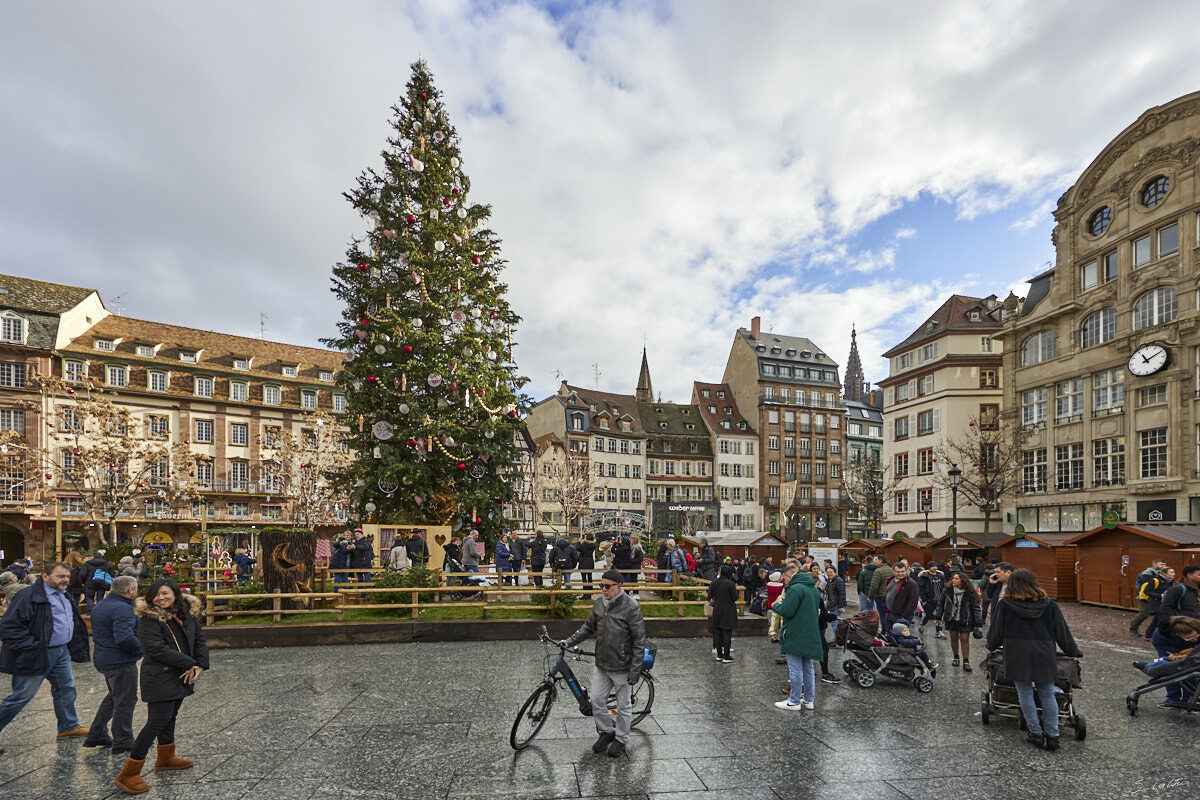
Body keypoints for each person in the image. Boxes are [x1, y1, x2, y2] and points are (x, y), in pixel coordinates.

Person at [115, 579, 209, 794]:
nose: (161, 598)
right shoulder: (149, 620)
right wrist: (190, 663)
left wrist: (201, 665)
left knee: (171, 716)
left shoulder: (187, 615)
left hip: (181, 674)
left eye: (165, 593)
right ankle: (129, 773)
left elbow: (200, 641)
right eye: (156, 595)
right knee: (156, 722)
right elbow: (156, 650)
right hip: (159, 677)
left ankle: (166, 758)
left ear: (175, 594)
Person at [986, 569, 1081, 752]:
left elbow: (996, 630)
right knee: (1047, 693)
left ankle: (1035, 733)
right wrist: (1072, 651)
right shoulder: (1049, 605)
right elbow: (1062, 631)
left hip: (1017, 653)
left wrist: (991, 645)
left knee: (1024, 693)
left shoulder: (1006, 605)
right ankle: (1053, 735)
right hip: (1043, 652)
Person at [0, 562, 91, 753]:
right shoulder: (28, 596)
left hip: (61, 651)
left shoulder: (63, 594)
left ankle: (68, 726)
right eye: (60, 576)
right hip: (36, 653)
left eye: (67, 576)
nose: (65, 580)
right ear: (45, 576)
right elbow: (9, 627)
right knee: (22, 695)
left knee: (66, 687)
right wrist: (32, 647)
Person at [561, 570, 648, 758]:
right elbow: (588, 627)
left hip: (622, 666)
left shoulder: (631, 607)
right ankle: (607, 731)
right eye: (601, 585)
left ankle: (621, 739)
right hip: (602, 664)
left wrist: (635, 669)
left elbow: (639, 640)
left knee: (623, 706)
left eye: (608, 586)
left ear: (619, 586)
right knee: (596, 700)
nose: (603, 589)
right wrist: (569, 641)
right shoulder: (599, 603)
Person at [85, 575, 142, 753]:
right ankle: (123, 739)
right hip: (120, 661)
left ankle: (97, 733)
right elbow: (124, 637)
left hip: (104, 658)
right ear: (131, 590)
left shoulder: (101, 605)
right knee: (125, 700)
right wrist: (142, 649)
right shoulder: (123, 608)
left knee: (114, 696)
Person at [773, 560, 822, 710]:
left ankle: (794, 701)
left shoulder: (795, 589)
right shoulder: (813, 589)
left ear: (789, 576)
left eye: (784, 579)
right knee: (808, 667)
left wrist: (776, 605)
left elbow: (787, 611)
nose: (784, 582)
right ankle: (808, 700)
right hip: (811, 632)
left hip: (795, 632)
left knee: (795, 668)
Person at [1150, 565, 1200, 707]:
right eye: (1199, 574)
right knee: (1171, 668)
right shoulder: (1178, 589)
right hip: (1173, 635)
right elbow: (1165, 611)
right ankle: (1173, 698)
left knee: (1190, 667)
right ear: (1189, 575)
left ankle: (1189, 699)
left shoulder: (1197, 591)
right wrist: (1178, 629)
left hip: (1193, 635)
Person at [1134, 617, 1200, 709]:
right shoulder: (1162, 634)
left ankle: (1189, 698)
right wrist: (1175, 656)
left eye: (1197, 636)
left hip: (1190, 651)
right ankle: (1173, 698)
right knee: (1170, 670)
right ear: (1178, 635)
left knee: (1190, 669)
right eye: (1191, 638)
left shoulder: (1196, 629)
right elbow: (1163, 650)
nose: (1195, 639)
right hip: (1168, 647)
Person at [934, 571, 982, 672]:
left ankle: (966, 661)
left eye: (956, 578)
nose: (953, 580)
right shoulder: (947, 590)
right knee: (954, 638)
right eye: (953, 578)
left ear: (962, 581)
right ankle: (956, 657)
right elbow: (941, 603)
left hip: (965, 619)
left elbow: (976, 608)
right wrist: (938, 616)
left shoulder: (970, 593)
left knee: (964, 638)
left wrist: (978, 623)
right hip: (951, 618)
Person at [707, 564, 739, 663]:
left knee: (717, 633)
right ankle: (726, 656)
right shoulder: (730, 584)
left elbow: (710, 596)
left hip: (717, 609)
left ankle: (719, 655)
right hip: (728, 610)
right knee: (727, 633)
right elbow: (735, 597)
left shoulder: (713, 583)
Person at [1130, 560, 1170, 635]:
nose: (1163, 566)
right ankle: (1133, 628)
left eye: (1164, 564)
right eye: (1161, 564)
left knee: (1158, 614)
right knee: (1144, 613)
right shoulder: (1147, 573)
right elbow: (1148, 586)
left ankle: (1151, 633)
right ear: (1154, 565)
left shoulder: (1162, 574)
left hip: (1156, 597)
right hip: (1146, 597)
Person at [883, 561, 919, 635]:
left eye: (903, 571)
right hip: (889, 613)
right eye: (898, 572)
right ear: (893, 571)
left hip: (901, 615)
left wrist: (904, 616)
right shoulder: (890, 580)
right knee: (889, 635)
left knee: (899, 636)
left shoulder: (911, 583)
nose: (900, 574)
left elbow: (913, 602)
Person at [917, 563, 947, 638]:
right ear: (929, 567)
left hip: (939, 600)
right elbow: (921, 589)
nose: (935, 568)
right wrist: (924, 600)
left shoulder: (940, 576)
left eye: (936, 566)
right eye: (933, 566)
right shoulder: (925, 576)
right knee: (928, 615)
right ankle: (922, 625)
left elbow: (944, 586)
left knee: (939, 616)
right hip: (929, 600)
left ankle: (938, 631)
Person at [824, 565, 847, 639]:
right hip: (831, 604)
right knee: (833, 622)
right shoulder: (829, 581)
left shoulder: (838, 581)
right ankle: (835, 638)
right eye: (827, 572)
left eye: (831, 572)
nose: (829, 574)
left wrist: (841, 606)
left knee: (835, 623)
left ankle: (836, 640)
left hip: (837, 605)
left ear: (835, 572)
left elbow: (842, 594)